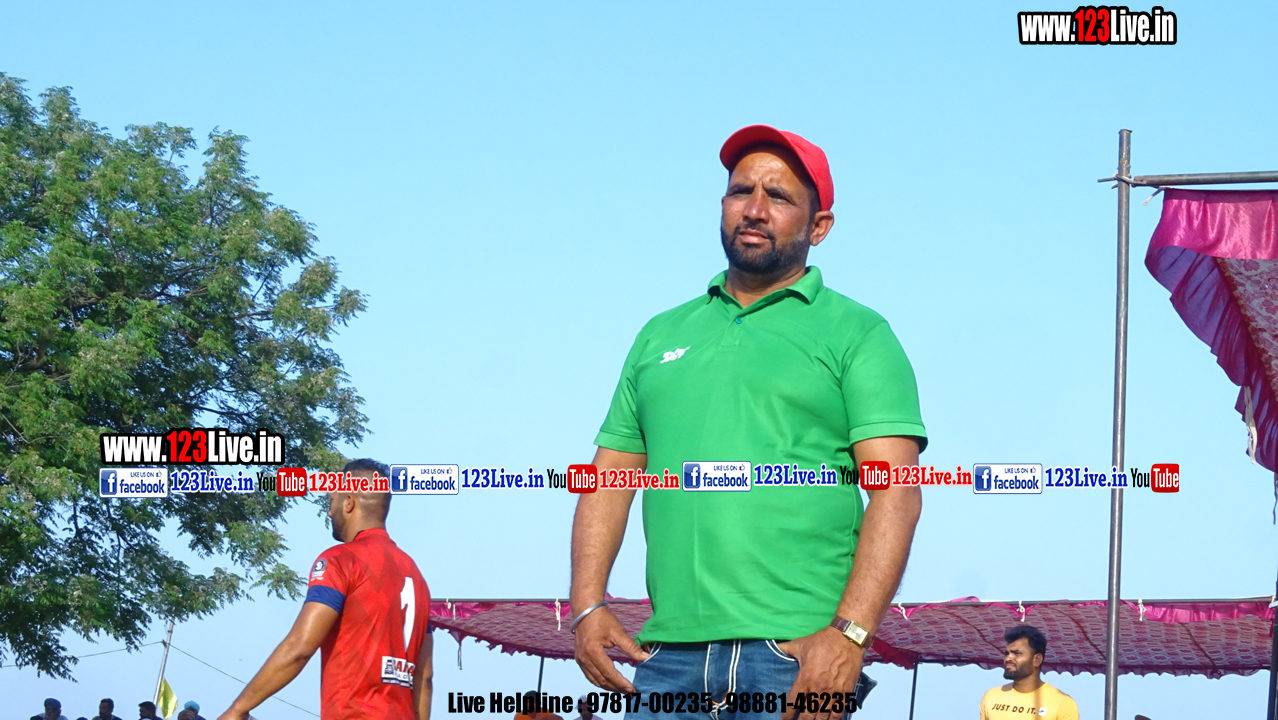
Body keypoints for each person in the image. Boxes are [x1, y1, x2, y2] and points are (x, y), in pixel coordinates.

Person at [570, 125, 927, 720]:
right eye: (741, 191)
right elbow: (607, 480)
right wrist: (586, 604)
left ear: (819, 226)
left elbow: (897, 493)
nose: (755, 209)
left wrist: (850, 635)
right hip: (666, 659)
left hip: (793, 658)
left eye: (778, 196)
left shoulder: (859, 333)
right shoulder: (660, 335)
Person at [216, 458, 434, 720]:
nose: (330, 512)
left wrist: (237, 710)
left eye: (332, 501)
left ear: (349, 502)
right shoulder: (417, 578)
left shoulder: (341, 560)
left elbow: (299, 648)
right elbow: (425, 678)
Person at [979, 626, 1079, 720]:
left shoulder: (1062, 703)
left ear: (1036, 660)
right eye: (1007, 654)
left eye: (1017, 653)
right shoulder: (991, 696)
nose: (1008, 658)